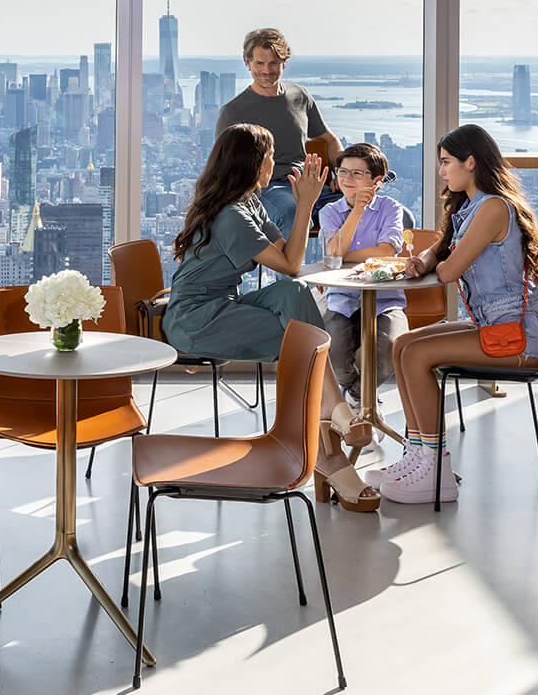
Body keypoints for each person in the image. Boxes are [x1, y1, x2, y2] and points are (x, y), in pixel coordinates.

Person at [163, 123, 380, 512]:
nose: (275, 163)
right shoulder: (233, 216)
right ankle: (331, 450)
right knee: (299, 344)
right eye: (270, 156)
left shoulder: (249, 203)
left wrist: (303, 205)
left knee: (293, 298)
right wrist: (307, 205)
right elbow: (292, 261)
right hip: (197, 321)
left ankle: (331, 424)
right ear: (252, 163)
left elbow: (290, 270)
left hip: (224, 306)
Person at [372, 124, 538, 505]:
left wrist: (435, 262)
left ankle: (436, 469)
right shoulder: (470, 207)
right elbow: (438, 251)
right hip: (494, 327)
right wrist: (423, 261)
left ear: (470, 162)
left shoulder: (492, 207)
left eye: (446, 162)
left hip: (519, 336)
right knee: (404, 344)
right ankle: (418, 456)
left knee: (418, 354)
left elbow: (451, 270)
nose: (441, 171)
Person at [213, 27, 342, 236]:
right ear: (247, 63)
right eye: (259, 63)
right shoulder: (233, 111)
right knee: (294, 214)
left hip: (308, 184)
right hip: (267, 190)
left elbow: (329, 139)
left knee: (367, 207)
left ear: (284, 62)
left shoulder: (299, 96)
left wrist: (342, 173)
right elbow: (222, 167)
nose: (266, 70)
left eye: (273, 63)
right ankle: (292, 270)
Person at [316, 143, 409, 403]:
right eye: (343, 172)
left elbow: (386, 252)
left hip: (385, 300)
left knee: (391, 347)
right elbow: (333, 256)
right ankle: (359, 396)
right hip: (342, 298)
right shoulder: (330, 211)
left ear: (376, 181)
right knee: (332, 350)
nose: (346, 180)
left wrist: (341, 254)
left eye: (357, 174)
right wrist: (357, 211)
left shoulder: (391, 208)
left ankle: (358, 397)